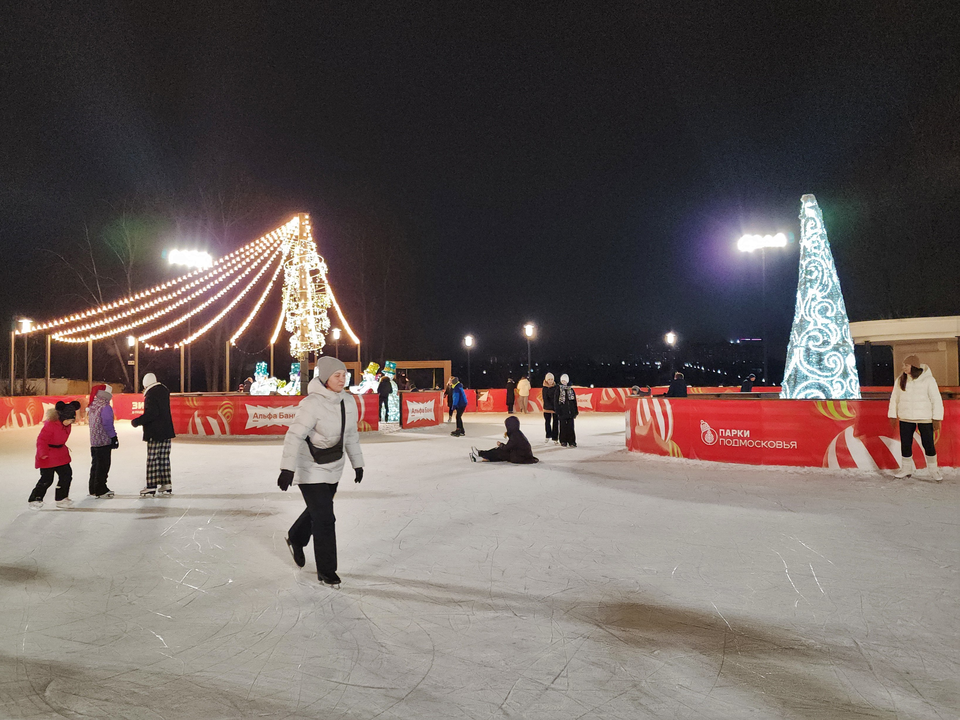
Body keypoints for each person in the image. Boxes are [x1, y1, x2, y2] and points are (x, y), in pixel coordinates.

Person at [277, 356, 364, 587]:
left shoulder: (348, 401)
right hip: (309, 467)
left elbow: (351, 435)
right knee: (325, 517)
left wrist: (358, 463)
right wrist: (287, 468)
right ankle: (327, 571)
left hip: (334, 465)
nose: (342, 378)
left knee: (318, 511)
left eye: (344, 375)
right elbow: (294, 435)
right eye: (337, 375)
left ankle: (296, 537)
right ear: (325, 378)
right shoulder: (312, 403)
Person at [889, 355, 944, 481]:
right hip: (906, 418)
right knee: (906, 444)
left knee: (928, 444)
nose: (903, 368)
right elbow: (894, 399)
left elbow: (936, 400)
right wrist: (892, 415)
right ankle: (906, 469)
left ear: (913, 366)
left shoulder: (928, 380)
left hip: (925, 418)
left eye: (906, 365)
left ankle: (933, 470)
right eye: (903, 365)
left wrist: (936, 419)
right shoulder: (900, 380)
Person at [28, 400, 81, 509]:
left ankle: (61, 498)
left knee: (66, 475)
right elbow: (41, 440)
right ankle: (35, 498)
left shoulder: (66, 425)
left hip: (60, 454)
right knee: (47, 479)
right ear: (62, 417)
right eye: (68, 420)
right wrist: (42, 453)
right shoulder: (51, 425)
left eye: (71, 420)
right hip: (48, 454)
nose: (69, 422)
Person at [131, 373, 176, 496]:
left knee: (152, 460)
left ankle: (151, 486)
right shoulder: (164, 392)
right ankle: (166, 484)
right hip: (166, 431)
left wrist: (137, 421)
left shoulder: (151, 395)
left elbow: (152, 414)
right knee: (164, 459)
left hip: (155, 432)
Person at [87, 384, 118, 498]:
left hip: (94, 441)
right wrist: (113, 437)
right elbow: (107, 424)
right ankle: (101, 488)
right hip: (104, 441)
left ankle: (93, 489)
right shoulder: (105, 407)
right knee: (103, 465)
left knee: (95, 465)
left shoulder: (93, 405)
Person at [469, 416, 539, 463]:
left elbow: (506, 448)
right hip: (521, 456)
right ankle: (484, 456)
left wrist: (500, 444)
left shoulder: (515, 435)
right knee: (499, 452)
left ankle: (480, 454)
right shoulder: (517, 433)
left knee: (499, 451)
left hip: (519, 458)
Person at [556, 374, 579, 448]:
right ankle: (563, 441)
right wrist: (558, 411)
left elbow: (574, 401)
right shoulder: (558, 390)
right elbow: (556, 401)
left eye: (565, 381)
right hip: (562, 412)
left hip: (570, 412)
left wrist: (575, 411)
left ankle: (572, 441)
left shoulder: (571, 390)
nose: (564, 382)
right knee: (563, 427)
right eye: (562, 381)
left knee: (571, 427)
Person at [541, 372, 560, 444]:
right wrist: (551, 406)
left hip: (555, 408)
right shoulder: (544, 388)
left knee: (555, 423)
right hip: (547, 408)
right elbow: (545, 399)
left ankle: (555, 438)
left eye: (552, 379)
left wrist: (556, 406)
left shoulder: (556, 387)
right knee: (547, 422)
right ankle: (548, 435)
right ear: (546, 380)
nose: (550, 381)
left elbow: (557, 397)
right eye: (549, 379)